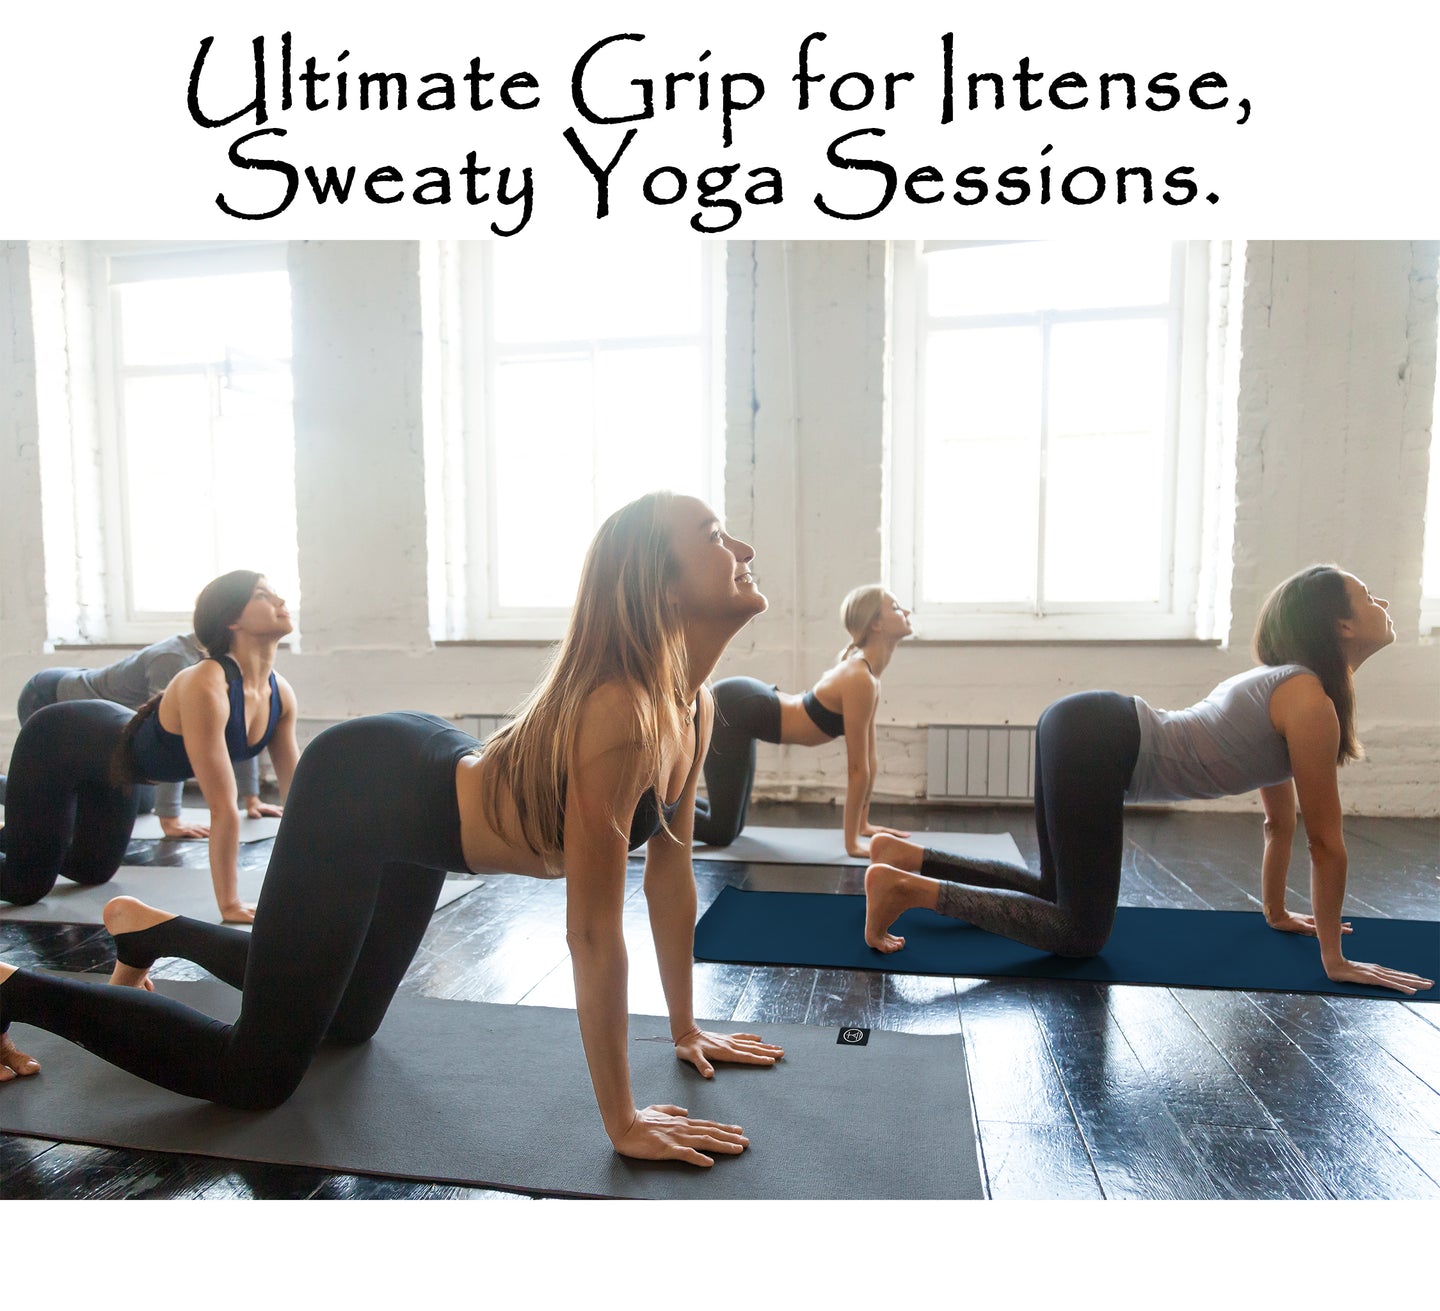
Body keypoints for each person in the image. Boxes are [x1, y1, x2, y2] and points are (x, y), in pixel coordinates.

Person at [0, 494, 786, 1169]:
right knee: (253, 1078)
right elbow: (590, 930)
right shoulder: (620, 714)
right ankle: (16, 990)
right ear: (659, 580)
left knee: (346, 1025)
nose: (743, 548)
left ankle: (152, 931)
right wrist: (622, 1120)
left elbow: (670, 880)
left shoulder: (693, 704)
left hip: (427, 806)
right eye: (715, 535)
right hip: (365, 788)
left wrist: (687, 1029)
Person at [861, 566, 1433, 997]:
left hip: (1087, 724)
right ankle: (907, 890)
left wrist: (1277, 913)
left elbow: (1280, 822)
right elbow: (1326, 842)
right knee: (1080, 934)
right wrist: (1335, 959)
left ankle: (907, 858)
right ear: (1342, 624)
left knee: (1055, 892)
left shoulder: (1291, 688)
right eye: (1368, 596)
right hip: (1101, 738)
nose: (1381, 602)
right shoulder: (1306, 698)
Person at [0, 572, 299, 924]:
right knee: (25, 886)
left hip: (115, 770)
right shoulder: (205, 683)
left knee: (91, 870)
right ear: (232, 620)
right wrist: (230, 903)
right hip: (56, 741)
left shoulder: (279, 692)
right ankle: (28, 835)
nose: (280, 602)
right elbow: (221, 807)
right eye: (263, 595)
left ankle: (27, 832)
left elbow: (298, 797)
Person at [692, 585, 916, 856]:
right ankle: (645, 811)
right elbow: (857, 768)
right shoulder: (859, 678)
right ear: (876, 624)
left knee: (731, 826)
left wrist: (864, 825)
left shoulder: (868, 676)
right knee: (721, 831)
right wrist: (851, 844)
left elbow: (870, 759)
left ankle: (664, 804)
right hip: (735, 708)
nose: (905, 611)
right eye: (894, 607)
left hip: (748, 707)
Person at [15, 629, 280, 838]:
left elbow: (239, 729)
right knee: (57, 797)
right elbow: (171, 738)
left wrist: (251, 799)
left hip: (101, 714)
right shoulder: (175, 660)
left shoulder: (233, 666)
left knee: (139, 805)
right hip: (48, 697)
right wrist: (170, 819)